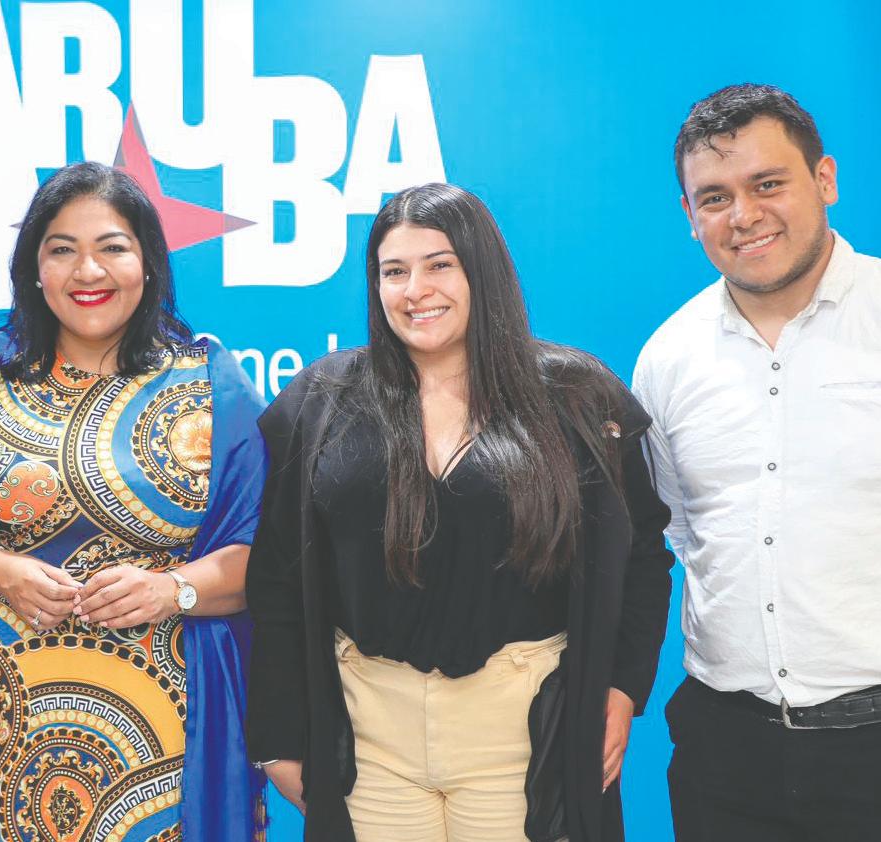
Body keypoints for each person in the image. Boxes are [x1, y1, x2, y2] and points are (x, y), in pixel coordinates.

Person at [246, 183, 674, 842]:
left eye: (439, 265)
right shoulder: (321, 400)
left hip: (525, 738)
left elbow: (643, 553)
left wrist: (620, 687)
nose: (415, 290)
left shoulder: (578, 396)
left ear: (481, 269)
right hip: (369, 741)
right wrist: (277, 737)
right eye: (394, 271)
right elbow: (276, 575)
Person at [0, 161, 268, 842]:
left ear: (148, 262)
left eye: (112, 247)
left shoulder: (211, 381)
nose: (88, 271)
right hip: (4, 730)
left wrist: (172, 589)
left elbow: (267, 551)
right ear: (34, 268)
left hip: (174, 735)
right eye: (62, 249)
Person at [633, 83, 881, 841]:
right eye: (714, 197)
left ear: (824, 179)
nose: (742, 215)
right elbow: (680, 533)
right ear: (689, 214)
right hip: (726, 756)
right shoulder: (667, 359)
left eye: (767, 183)